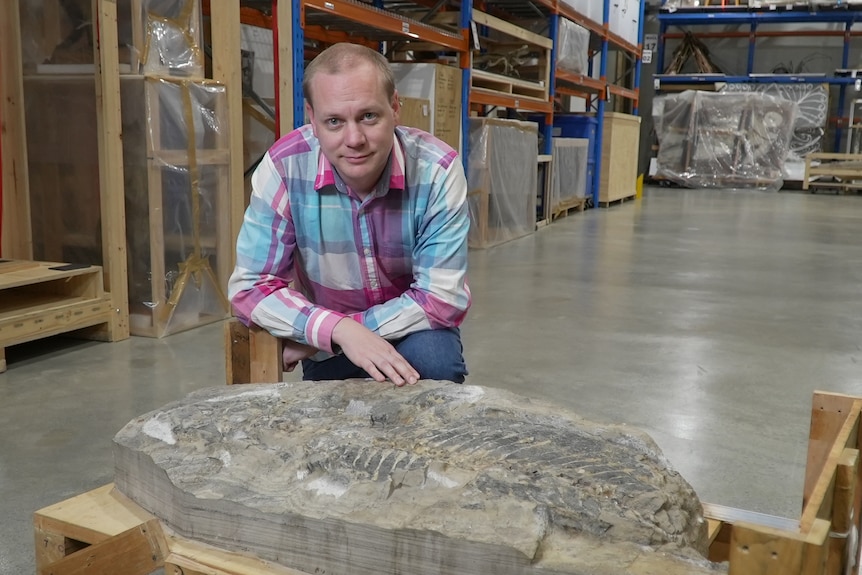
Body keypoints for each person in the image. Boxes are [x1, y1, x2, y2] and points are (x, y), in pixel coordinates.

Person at [228, 42, 471, 386]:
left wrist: (349, 330)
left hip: (410, 332)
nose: (354, 138)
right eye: (334, 122)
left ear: (395, 108)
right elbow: (251, 287)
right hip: (325, 340)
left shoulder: (437, 171)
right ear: (312, 119)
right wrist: (336, 331)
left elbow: (441, 298)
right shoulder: (284, 167)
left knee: (435, 364)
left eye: (368, 116)